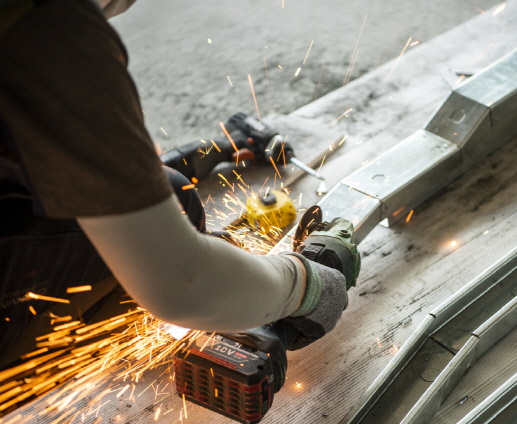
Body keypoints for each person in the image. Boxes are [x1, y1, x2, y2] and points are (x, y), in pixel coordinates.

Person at [0, 0, 351, 371]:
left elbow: (92, 172)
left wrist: (218, 149)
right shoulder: (48, 30)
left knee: (165, 195)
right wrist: (303, 286)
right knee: (175, 211)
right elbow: (183, 283)